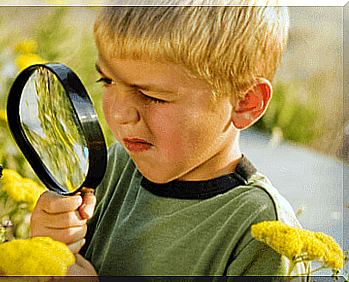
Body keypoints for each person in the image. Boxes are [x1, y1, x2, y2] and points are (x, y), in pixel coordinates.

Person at [30, 2, 306, 276]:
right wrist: (49, 250)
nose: (120, 113)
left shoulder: (262, 232)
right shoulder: (112, 169)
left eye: (154, 96)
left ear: (246, 103)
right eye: (108, 81)